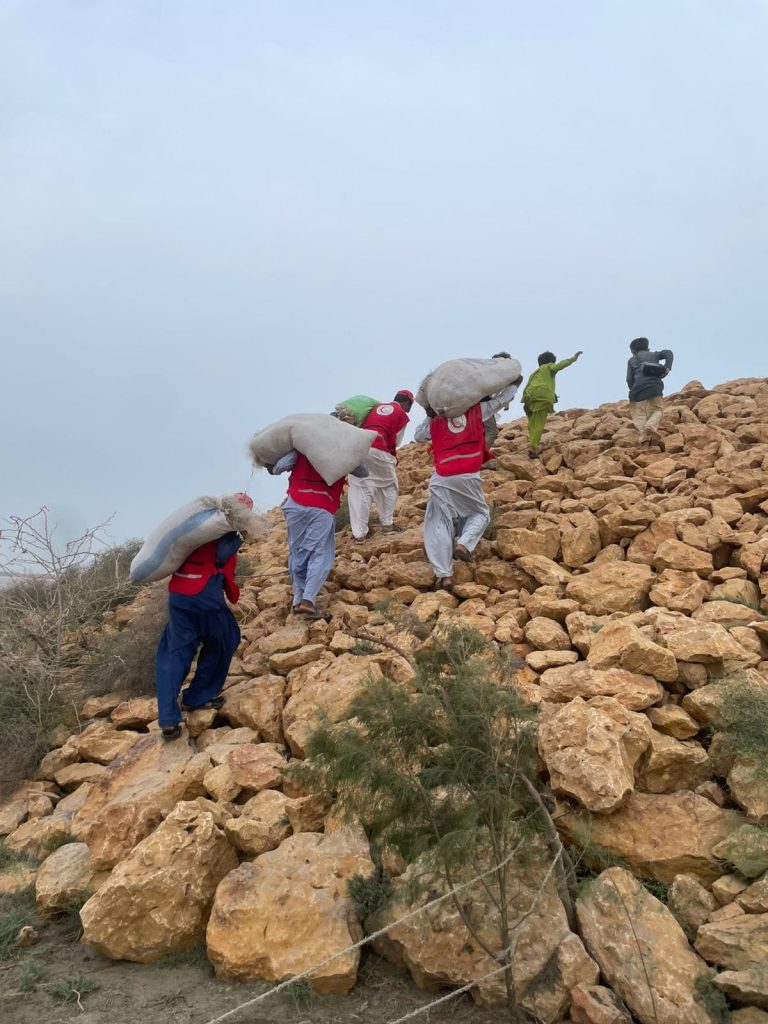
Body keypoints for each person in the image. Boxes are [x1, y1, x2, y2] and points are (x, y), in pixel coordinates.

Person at [156, 492, 253, 740]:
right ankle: (197, 697)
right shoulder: (227, 533)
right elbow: (221, 555)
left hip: (179, 595)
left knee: (175, 650)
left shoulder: (197, 529)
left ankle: (167, 718)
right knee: (225, 638)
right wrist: (241, 534)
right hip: (204, 595)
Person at [415, 376, 522, 589]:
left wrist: (430, 414)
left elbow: (418, 436)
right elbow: (500, 401)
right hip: (468, 475)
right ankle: (464, 544)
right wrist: (514, 385)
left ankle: (445, 576)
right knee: (480, 513)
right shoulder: (477, 412)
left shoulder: (436, 421)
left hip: (441, 476)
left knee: (439, 522)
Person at [270, 449, 368, 619]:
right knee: (319, 553)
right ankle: (308, 600)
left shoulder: (303, 447)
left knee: (297, 551)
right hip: (322, 504)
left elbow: (279, 467)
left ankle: (298, 598)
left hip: (296, 503)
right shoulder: (342, 451)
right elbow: (363, 471)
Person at [348, 390, 414, 541]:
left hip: (361, 448)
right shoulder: (401, 414)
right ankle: (387, 525)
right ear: (406, 403)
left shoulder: (374, 408)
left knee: (361, 488)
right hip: (381, 451)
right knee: (388, 486)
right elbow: (397, 441)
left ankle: (359, 535)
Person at [522, 350, 582, 458]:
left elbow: (527, 386)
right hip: (542, 397)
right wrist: (573, 358)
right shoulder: (549, 367)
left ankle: (532, 441)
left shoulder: (534, 373)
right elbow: (559, 366)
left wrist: (525, 399)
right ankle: (533, 447)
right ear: (551, 361)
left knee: (532, 423)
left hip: (530, 398)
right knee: (539, 424)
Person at [626, 337, 674, 446]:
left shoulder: (631, 360)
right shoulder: (654, 355)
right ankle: (650, 428)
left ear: (633, 350)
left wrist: (633, 389)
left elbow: (629, 379)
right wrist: (667, 367)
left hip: (637, 391)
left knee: (639, 415)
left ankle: (644, 439)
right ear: (647, 347)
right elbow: (668, 353)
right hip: (654, 387)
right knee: (657, 409)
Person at [483, 352, 516, 452]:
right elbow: (507, 393)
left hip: (475, 405)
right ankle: (480, 456)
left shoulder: (485, 373)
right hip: (483, 406)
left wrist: (506, 405)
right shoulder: (500, 376)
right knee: (492, 432)